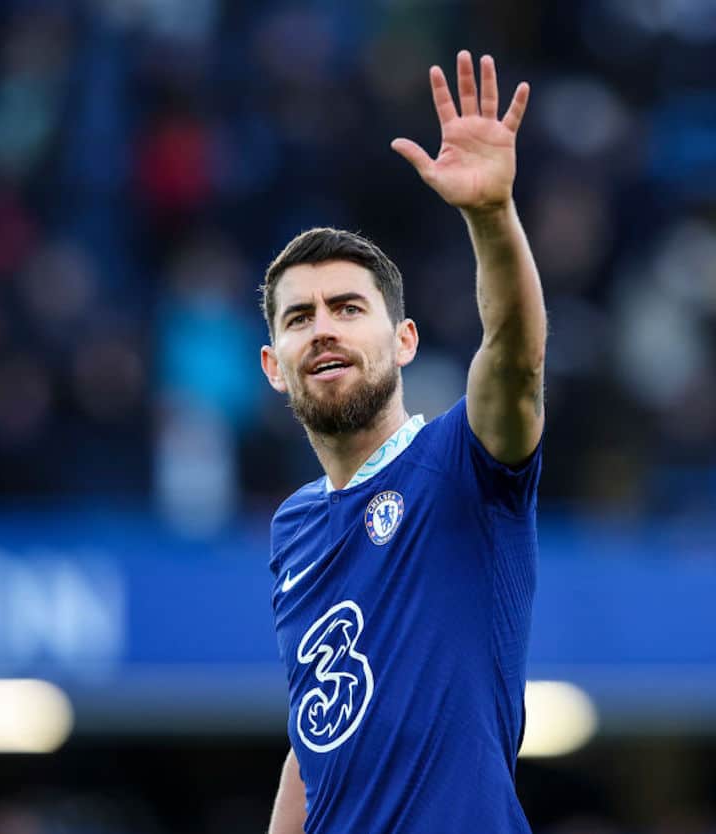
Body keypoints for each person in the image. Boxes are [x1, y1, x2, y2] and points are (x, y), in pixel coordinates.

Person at [261, 50, 545, 834]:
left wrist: (491, 217)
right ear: (273, 367)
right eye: (298, 317)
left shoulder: (462, 465)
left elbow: (517, 359)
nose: (322, 329)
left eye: (348, 307)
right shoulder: (293, 529)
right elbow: (311, 740)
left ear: (406, 340)